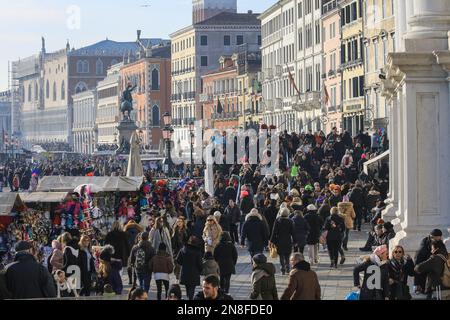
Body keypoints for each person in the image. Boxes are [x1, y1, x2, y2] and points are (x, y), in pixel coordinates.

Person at [414, 229, 443, 294]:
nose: (438, 239)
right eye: (436, 238)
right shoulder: (425, 244)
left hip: (434, 270)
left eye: (439, 238)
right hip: (424, 265)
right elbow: (418, 260)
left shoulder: (440, 244)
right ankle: (419, 288)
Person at [176, 236, 203, 300]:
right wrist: (200, 270)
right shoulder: (197, 252)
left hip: (185, 272)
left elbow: (178, 260)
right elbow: (199, 264)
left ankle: (189, 297)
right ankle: (190, 298)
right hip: (194, 273)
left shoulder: (183, 249)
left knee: (187, 287)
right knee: (192, 288)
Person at [270, 208, 296, 275]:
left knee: (281, 255)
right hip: (288, 240)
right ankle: (288, 268)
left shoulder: (277, 221)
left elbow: (274, 231)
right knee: (287, 255)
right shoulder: (290, 221)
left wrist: (271, 240)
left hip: (279, 240)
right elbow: (293, 232)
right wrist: (295, 241)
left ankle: (282, 269)